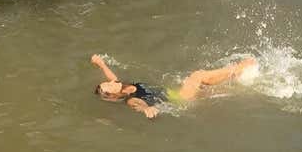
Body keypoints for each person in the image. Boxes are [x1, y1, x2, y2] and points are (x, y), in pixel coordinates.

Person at [91, 54, 258, 119]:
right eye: (107, 86)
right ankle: (240, 67)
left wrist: (101, 63)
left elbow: (112, 76)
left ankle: (240, 77)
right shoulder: (131, 100)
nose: (110, 82)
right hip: (180, 100)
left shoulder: (120, 85)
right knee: (198, 75)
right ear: (111, 95)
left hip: (175, 94)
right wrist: (147, 109)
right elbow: (139, 105)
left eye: (108, 82)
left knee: (214, 86)